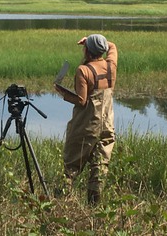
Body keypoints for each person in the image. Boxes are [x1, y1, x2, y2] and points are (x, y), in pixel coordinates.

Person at [54, 34, 118, 205]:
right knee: (99, 166)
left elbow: (81, 100)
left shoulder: (84, 70)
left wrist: (63, 92)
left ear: (87, 51)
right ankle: (94, 206)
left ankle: (59, 202)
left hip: (86, 125)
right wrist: (95, 40)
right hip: (107, 125)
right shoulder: (111, 66)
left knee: (71, 166)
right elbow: (112, 47)